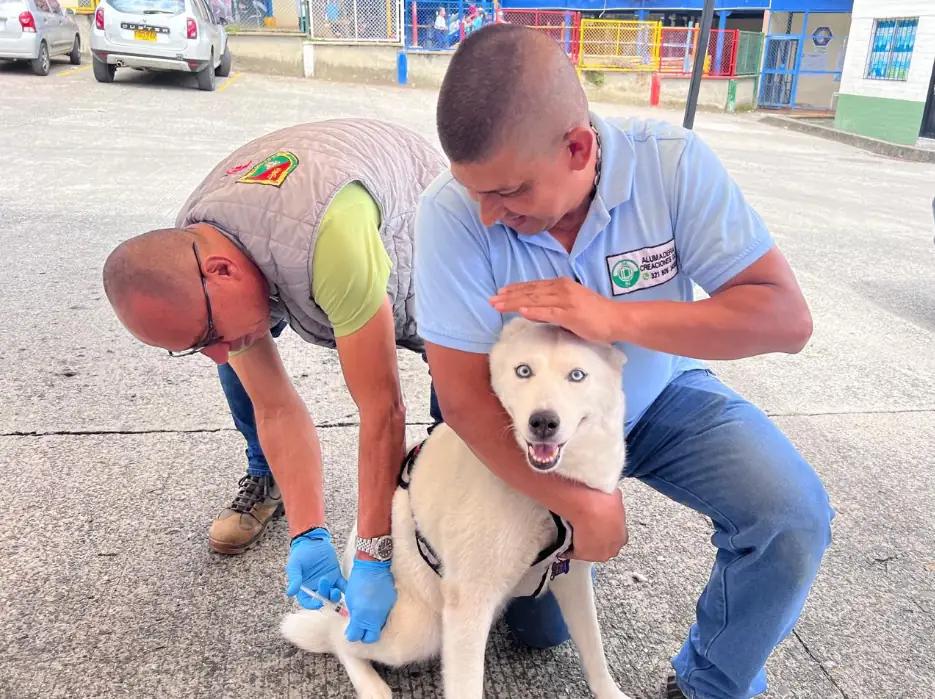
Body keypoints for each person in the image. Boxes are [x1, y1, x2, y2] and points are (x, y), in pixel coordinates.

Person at [413, 24, 834, 699]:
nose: (488, 216)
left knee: (789, 510)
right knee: (539, 628)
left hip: (654, 397)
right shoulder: (449, 215)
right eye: (476, 192)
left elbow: (786, 320)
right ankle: (551, 553)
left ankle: (711, 683)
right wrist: (579, 501)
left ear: (578, 147)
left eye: (510, 192)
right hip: (525, 426)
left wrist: (615, 318)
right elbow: (461, 399)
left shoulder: (671, 166)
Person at [102, 117, 447, 644]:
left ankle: (466, 491)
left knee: (456, 371)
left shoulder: (333, 242)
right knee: (241, 361)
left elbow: (383, 409)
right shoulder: (189, 246)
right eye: (192, 347)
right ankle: (270, 481)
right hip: (284, 225)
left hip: (407, 205)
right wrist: (310, 533)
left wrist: (372, 554)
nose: (212, 353)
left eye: (206, 333)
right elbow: (276, 407)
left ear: (222, 271)